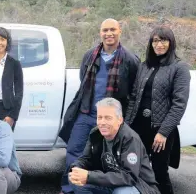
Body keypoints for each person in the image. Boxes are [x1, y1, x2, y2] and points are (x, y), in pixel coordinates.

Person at [59, 18, 140, 193]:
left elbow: (134, 93)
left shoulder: (130, 59)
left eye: (112, 30)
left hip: (110, 118)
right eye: (105, 30)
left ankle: (96, 187)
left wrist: (127, 119)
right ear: (100, 33)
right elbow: (84, 80)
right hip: (87, 113)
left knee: (104, 156)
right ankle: (69, 189)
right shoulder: (90, 55)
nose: (108, 34)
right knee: (74, 151)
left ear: (120, 32)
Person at [125, 26, 191, 194]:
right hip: (138, 126)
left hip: (160, 130)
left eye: (163, 40)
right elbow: (133, 97)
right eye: (155, 40)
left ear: (171, 42)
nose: (159, 44)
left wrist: (163, 132)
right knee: (134, 168)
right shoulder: (144, 66)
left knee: (160, 172)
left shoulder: (179, 67)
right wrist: (126, 124)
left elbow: (179, 104)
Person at [69, 98, 160, 194]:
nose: (102, 122)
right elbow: (86, 158)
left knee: (122, 193)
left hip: (139, 186)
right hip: (112, 182)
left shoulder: (130, 138)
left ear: (119, 120)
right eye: (99, 117)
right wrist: (76, 169)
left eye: (108, 118)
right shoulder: (95, 134)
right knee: (78, 183)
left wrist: (89, 176)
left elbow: (130, 177)